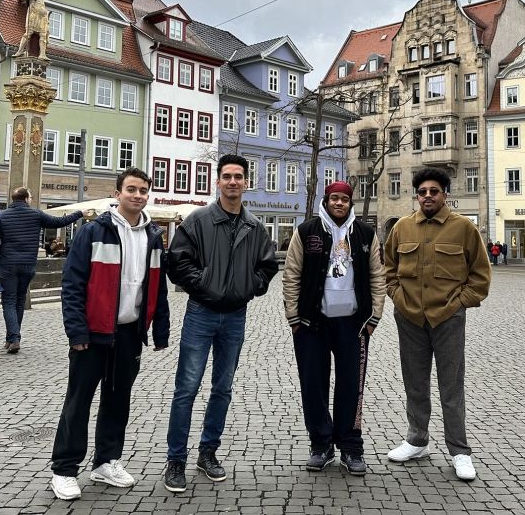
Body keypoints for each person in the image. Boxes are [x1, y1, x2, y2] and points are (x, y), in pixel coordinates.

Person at [49, 167, 171, 501]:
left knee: (118, 400)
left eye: (143, 190)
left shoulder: (153, 236)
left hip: (129, 331)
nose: (137, 195)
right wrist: (76, 330)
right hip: (93, 332)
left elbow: (157, 287)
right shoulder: (93, 232)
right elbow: (72, 285)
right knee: (79, 401)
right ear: (117, 194)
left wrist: (160, 329)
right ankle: (64, 469)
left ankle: (106, 461)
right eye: (131, 189)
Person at [163, 154, 279, 494]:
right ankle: (176, 460)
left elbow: (268, 267)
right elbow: (178, 261)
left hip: (235, 316)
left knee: (223, 389)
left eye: (238, 177)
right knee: (186, 388)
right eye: (226, 176)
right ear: (217, 181)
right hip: (200, 313)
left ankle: (208, 452)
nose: (232, 182)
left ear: (246, 182)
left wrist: (248, 286)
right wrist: (205, 284)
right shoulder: (198, 220)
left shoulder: (255, 227)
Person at [384, 167, 491, 481]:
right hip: (410, 318)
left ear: (445, 194)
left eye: (434, 191)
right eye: (422, 192)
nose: (427, 196)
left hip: (448, 319)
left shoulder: (464, 229)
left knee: (451, 387)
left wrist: (458, 303)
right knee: (415, 384)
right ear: (416, 196)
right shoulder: (402, 228)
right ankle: (417, 441)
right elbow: (389, 269)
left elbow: (480, 277)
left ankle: (459, 451)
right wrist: (398, 298)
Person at [282, 181, 386, 476]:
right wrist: (294, 317)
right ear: (326, 201)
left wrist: (374, 316)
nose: (339, 203)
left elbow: (378, 275)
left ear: (351, 203)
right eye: (334, 199)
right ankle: (321, 444)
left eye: (344, 199)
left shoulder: (365, 233)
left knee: (351, 386)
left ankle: (351, 447)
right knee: (313, 384)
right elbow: (292, 275)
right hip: (312, 322)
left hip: (353, 323)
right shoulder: (306, 231)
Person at [0, 187, 83, 354]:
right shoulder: (36, 215)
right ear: (25, 199)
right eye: (30, 197)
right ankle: (12, 338)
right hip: (28, 265)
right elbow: (59, 222)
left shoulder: (1, 216)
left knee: (8, 301)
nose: (31, 199)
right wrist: (79, 213)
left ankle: (14, 338)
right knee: (19, 300)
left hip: (8, 265)